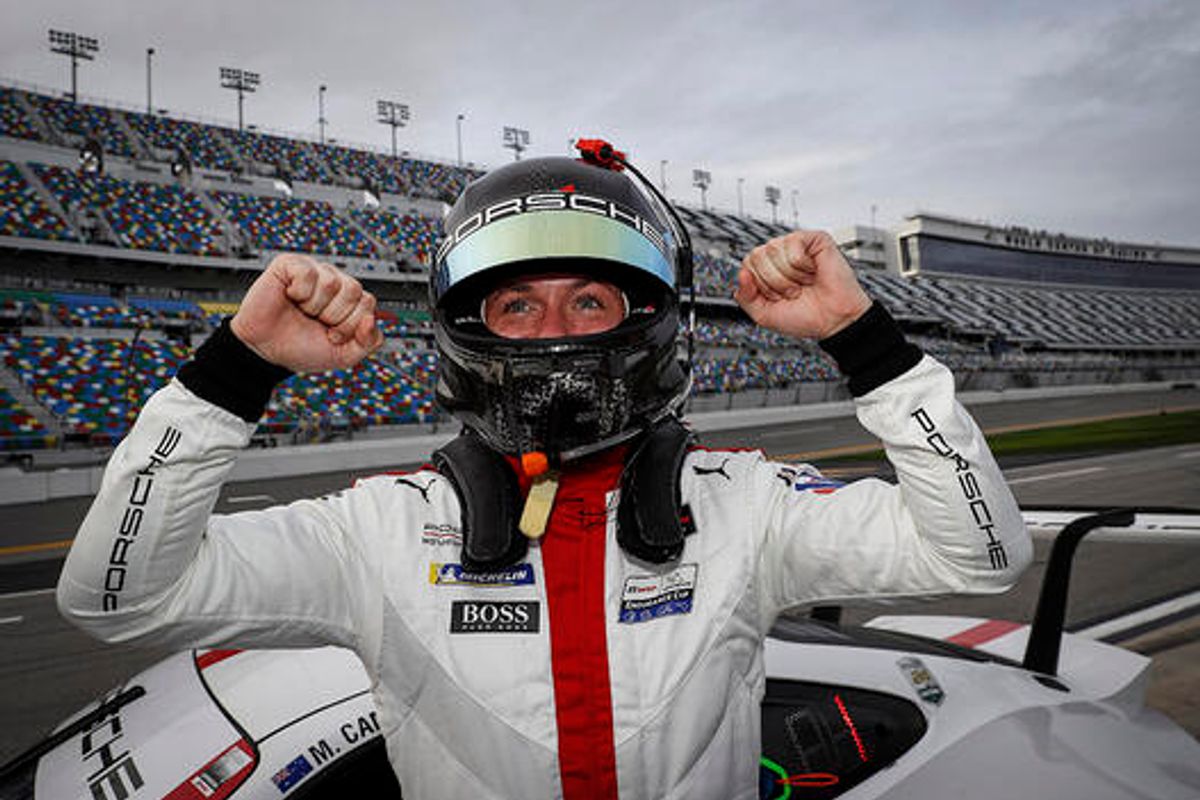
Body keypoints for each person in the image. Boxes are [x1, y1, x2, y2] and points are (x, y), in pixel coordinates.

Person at [58, 151, 1032, 800]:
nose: (556, 331)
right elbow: (117, 597)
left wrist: (861, 339)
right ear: (468, 327)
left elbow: (982, 554)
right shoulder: (378, 530)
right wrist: (236, 368)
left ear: (647, 318)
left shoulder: (748, 504)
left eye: (591, 297)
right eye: (517, 304)